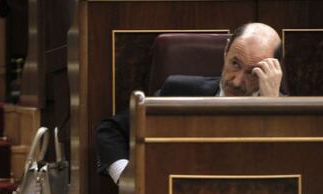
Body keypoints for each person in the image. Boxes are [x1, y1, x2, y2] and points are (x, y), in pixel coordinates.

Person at [96, 22, 284, 183]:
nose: (236, 81)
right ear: (225, 51)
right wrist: (127, 180)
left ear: (272, 71)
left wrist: (272, 108)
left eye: (253, 72)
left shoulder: (293, 112)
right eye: (235, 63)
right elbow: (111, 130)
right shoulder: (179, 90)